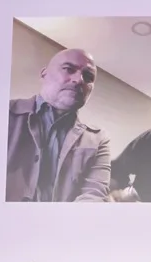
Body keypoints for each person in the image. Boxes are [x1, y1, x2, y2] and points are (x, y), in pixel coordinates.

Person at [7, 47, 112, 202]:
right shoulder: (3, 114)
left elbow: (93, 195)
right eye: (69, 69)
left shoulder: (98, 140)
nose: (79, 80)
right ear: (44, 73)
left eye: (88, 76)